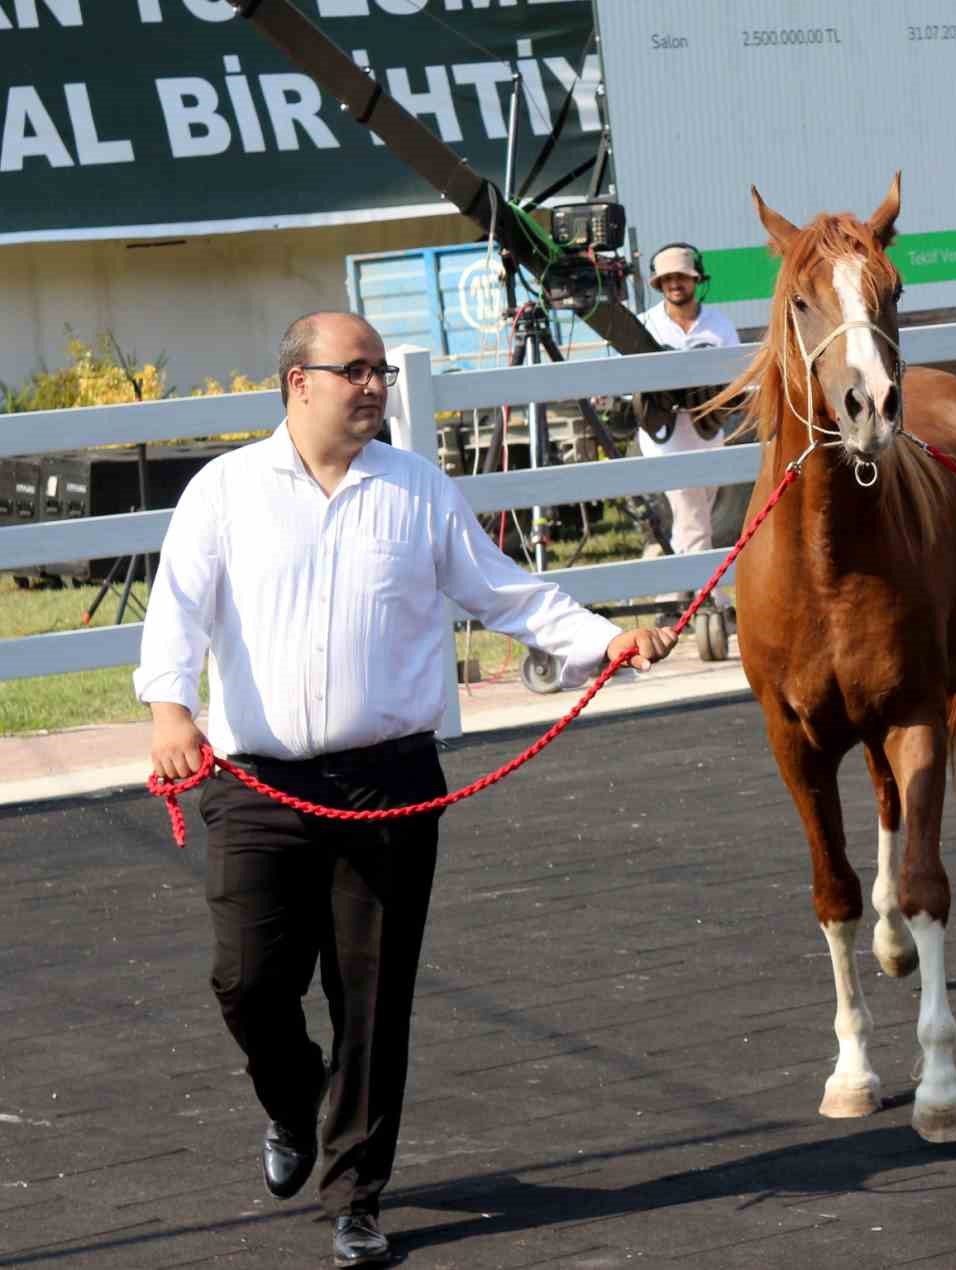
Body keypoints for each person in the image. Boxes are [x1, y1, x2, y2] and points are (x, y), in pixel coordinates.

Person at [135, 311, 677, 1268]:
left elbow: (508, 594)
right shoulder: (222, 493)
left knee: (371, 998)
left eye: (381, 370)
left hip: (389, 783)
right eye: (355, 370)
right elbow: (176, 614)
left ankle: (356, 1198)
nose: (375, 385)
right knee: (248, 982)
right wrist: (170, 713)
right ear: (297, 382)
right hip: (257, 783)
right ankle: (295, 1104)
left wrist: (608, 640)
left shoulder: (418, 491)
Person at [637, 243, 740, 564]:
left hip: (709, 436)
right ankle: (707, 598)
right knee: (694, 518)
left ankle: (671, 593)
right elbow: (630, 389)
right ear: (660, 284)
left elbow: (737, 377)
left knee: (694, 519)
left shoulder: (719, 324)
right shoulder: (645, 325)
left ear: (696, 280)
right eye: (668, 279)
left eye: (681, 277)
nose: (675, 284)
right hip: (666, 442)